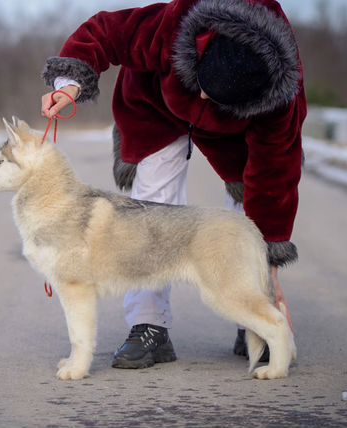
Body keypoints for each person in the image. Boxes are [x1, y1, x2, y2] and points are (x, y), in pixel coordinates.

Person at [40, 0, 305, 369]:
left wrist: (270, 277)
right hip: (155, 108)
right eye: (202, 86)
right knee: (149, 208)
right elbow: (104, 31)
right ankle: (148, 326)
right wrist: (69, 85)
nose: (201, 98)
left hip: (234, 136)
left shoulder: (278, 102)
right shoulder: (174, 25)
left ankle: (252, 316)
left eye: (213, 98)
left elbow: (275, 178)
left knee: (250, 214)